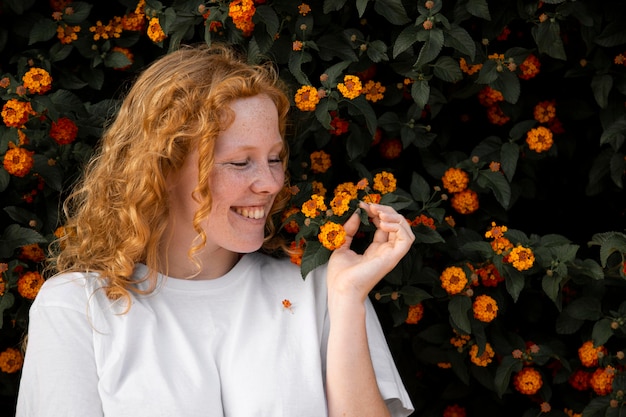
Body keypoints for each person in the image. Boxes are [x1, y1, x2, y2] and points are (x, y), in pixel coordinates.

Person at [16, 43, 415, 417]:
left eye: (275, 158)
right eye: (240, 163)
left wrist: (346, 299)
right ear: (163, 168)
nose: (271, 183)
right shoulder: (78, 308)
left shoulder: (323, 288)